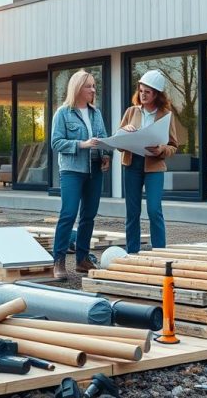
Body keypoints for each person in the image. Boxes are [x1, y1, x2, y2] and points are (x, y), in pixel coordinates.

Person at [49, 70, 111, 279]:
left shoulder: (96, 113)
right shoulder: (63, 113)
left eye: (94, 86)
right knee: (68, 214)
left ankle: (82, 260)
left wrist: (105, 155)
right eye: (89, 86)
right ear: (77, 88)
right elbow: (56, 142)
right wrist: (81, 144)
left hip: (94, 170)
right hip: (71, 171)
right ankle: (58, 261)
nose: (93, 90)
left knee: (89, 216)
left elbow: (102, 138)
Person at [118, 70, 179, 254]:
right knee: (132, 212)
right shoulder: (131, 111)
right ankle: (132, 252)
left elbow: (173, 146)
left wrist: (162, 149)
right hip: (132, 165)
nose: (143, 95)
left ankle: (160, 252)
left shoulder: (166, 115)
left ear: (157, 95)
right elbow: (119, 143)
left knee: (154, 210)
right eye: (141, 91)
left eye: (148, 92)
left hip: (154, 166)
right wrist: (123, 132)